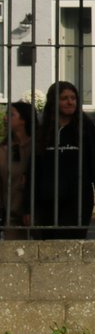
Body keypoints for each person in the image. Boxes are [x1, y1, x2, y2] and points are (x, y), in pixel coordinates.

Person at [32, 81, 95, 239]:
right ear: (53, 101)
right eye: (64, 98)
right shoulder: (43, 130)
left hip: (78, 200)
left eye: (73, 98)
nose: (70, 102)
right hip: (47, 200)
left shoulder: (85, 128)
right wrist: (30, 207)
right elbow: (34, 169)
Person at [1, 101, 36, 239]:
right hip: (12, 216)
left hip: (38, 214)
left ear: (24, 120)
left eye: (11, 115)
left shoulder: (37, 146)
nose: (5, 118)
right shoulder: (3, 150)